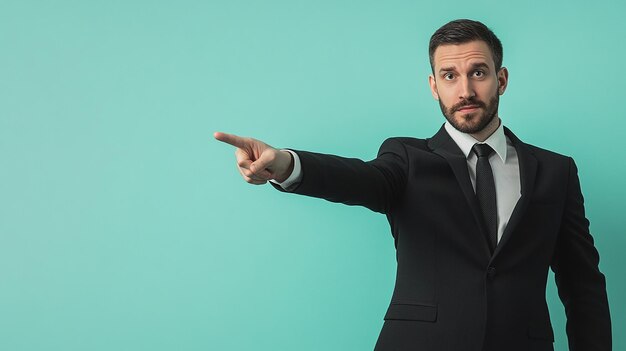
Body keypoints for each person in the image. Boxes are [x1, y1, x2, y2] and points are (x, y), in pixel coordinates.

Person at [214, 19, 611, 351]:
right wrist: (286, 164)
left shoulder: (556, 171)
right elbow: (359, 179)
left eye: (478, 72)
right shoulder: (406, 160)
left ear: (501, 79)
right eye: (449, 76)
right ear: (433, 86)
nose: (466, 91)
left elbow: (582, 283)